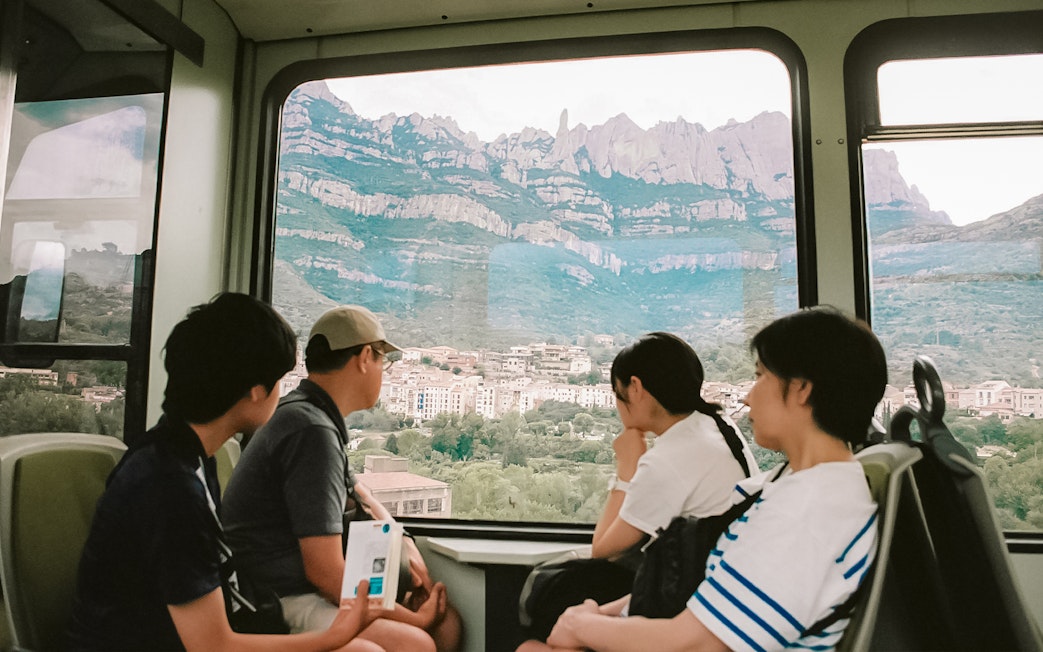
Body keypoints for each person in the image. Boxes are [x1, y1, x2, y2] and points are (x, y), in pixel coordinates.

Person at [519, 307, 885, 652]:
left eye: (760, 376)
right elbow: (710, 593)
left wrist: (581, 625)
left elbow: (698, 644)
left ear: (802, 389)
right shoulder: (794, 483)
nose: (747, 394)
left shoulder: (806, 512)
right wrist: (599, 616)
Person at [67, 292, 380, 652]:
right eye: (280, 380)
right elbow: (213, 646)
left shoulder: (185, 455)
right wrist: (334, 637)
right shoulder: (171, 488)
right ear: (256, 391)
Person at [222, 305, 463, 652]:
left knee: (448, 623)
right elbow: (326, 574)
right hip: (276, 597)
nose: (384, 371)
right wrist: (413, 619)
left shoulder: (308, 412)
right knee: (417, 642)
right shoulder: (311, 431)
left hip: (289, 586)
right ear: (366, 356)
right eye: (384, 361)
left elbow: (359, 490)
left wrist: (405, 541)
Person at [592, 332, 758, 561]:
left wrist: (626, 470)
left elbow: (602, 550)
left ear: (635, 387)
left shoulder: (667, 460)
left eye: (617, 393)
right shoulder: (717, 423)